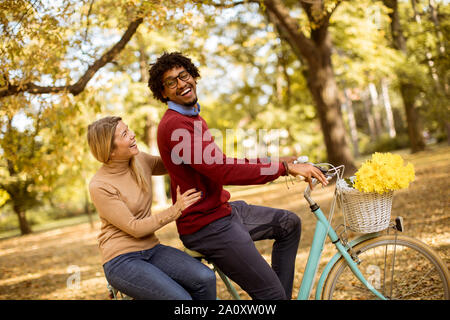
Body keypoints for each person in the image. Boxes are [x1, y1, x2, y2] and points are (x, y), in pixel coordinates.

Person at [148, 52, 328, 300]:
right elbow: (222, 169)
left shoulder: (192, 118)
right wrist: (282, 170)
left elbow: (222, 161)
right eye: (171, 82)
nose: (181, 84)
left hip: (223, 212)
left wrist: (282, 162)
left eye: (184, 75)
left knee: (289, 224)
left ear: (193, 77)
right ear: (163, 93)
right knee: (271, 297)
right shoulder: (175, 125)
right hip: (206, 226)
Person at [87, 116, 216, 300]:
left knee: (205, 278)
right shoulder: (99, 185)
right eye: (124, 134)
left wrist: (191, 144)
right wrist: (176, 209)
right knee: (180, 299)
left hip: (152, 249)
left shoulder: (139, 159)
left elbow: (172, 163)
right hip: (121, 260)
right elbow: (135, 228)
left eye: (128, 129)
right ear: (110, 150)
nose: (132, 135)